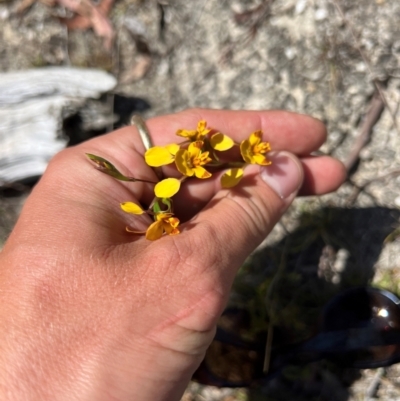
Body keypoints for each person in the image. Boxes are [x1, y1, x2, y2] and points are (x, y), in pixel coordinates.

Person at [0, 109, 346, 400]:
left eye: (195, 157)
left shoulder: (190, 168)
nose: (196, 159)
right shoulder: (164, 178)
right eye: (193, 157)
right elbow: (158, 165)